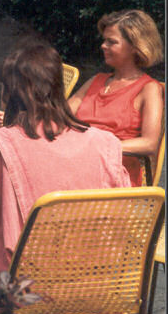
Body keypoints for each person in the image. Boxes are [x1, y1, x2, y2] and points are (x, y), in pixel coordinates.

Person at [0, 39, 131, 276]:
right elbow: (120, 219)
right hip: (91, 282)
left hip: (20, 289)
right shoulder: (107, 143)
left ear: (8, 93)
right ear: (59, 89)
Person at [68, 10, 164, 187]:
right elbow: (59, 116)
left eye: (111, 42)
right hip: (77, 165)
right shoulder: (95, 81)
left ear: (135, 47)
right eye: (104, 40)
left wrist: (96, 148)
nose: (103, 46)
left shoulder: (148, 89)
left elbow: (149, 144)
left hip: (113, 176)